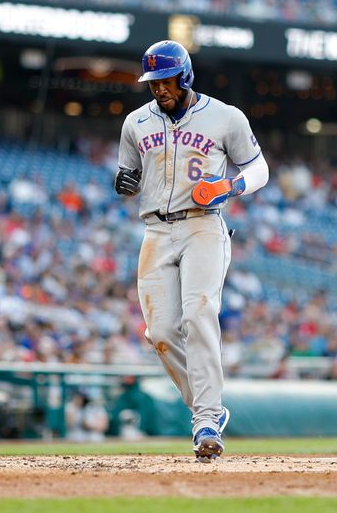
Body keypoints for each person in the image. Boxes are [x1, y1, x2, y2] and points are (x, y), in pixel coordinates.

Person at [114, 40, 269, 462]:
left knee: (199, 313)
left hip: (203, 226)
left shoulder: (225, 117)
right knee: (161, 333)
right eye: (153, 82)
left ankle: (203, 420)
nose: (159, 89)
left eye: (165, 80)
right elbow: (128, 174)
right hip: (155, 231)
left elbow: (258, 167)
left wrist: (231, 185)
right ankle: (212, 409)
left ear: (184, 76)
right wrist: (124, 182)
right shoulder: (135, 122)